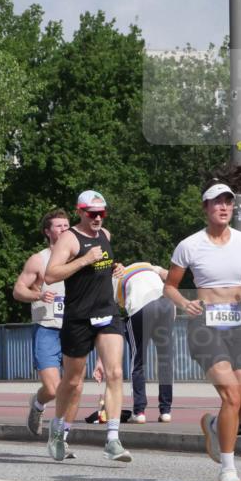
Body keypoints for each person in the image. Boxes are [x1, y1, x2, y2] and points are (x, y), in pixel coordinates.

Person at [164, 177, 241, 481]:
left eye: (228, 202)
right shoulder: (189, 245)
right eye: (217, 202)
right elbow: (169, 286)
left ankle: (212, 425)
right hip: (204, 325)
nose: (223, 207)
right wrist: (184, 303)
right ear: (205, 208)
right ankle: (228, 470)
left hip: (239, 323)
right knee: (231, 396)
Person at [43, 191, 131, 463]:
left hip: (106, 313)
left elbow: (102, 268)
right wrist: (83, 260)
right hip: (78, 316)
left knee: (115, 372)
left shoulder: (106, 235)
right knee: (72, 381)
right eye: (91, 213)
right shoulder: (70, 238)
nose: (97, 218)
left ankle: (113, 439)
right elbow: (50, 274)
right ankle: (57, 431)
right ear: (80, 212)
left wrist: (116, 267)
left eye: (101, 213)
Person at [14, 209, 69, 435]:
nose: (64, 229)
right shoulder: (39, 259)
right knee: (53, 388)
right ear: (47, 231)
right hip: (46, 327)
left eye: (67, 226)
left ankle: (61, 435)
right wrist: (37, 295)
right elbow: (18, 290)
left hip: (73, 329)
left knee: (72, 387)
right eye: (59, 226)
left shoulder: (77, 257)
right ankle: (37, 404)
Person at [114, 261, 176, 423]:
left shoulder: (114, 278)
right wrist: (154, 269)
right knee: (165, 359)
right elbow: (170, 275)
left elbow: (114, 306)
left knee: (138, 360)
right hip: (166, 304)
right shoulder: (145, 265)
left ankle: (139, 411)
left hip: (141, 307)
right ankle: (166, 411)